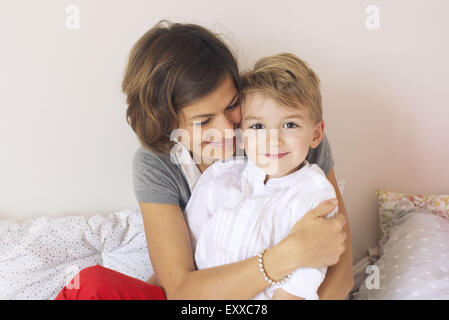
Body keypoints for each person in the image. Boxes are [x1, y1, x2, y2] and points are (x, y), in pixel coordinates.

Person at [55, 20, 353, 300]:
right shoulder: (156, 163)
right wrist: (288, 255)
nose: (226, 129)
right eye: (204, 120)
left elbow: (341, 276)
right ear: (169, 124)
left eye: (232, 105)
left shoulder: (287, 138)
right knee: (91, 285)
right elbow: (180, 288)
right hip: (198, 298)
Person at [186, 53, 339, 300]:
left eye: (290, 125)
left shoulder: (314, 194)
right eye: (258, 127)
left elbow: (300, 283)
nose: (273, 140)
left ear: (316, 134)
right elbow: (188, 255)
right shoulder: (220, 179)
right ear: (242, 133)